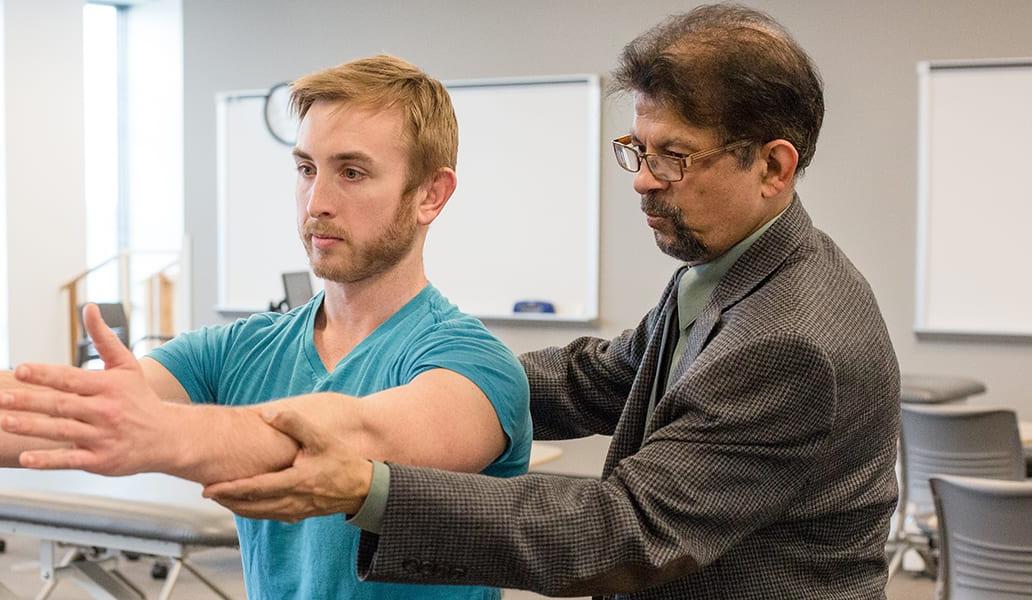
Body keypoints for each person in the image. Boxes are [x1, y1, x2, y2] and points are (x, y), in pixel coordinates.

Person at [0, 54, 532, 599]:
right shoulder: (249, 348)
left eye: (353, 172)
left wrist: (159, 432)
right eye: (306, 167)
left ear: (431, 196)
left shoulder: (473, 367)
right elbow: (44, 406)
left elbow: (354, 440)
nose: (317, 199)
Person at [200, 5, 901, 599]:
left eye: (674, 157)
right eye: (639, 148)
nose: (643, 182)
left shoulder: (791, 341)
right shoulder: (726, 269)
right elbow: (604, 377)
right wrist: (453, 380)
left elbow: (622, 531)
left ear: (773, 166)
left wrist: (368, 487)